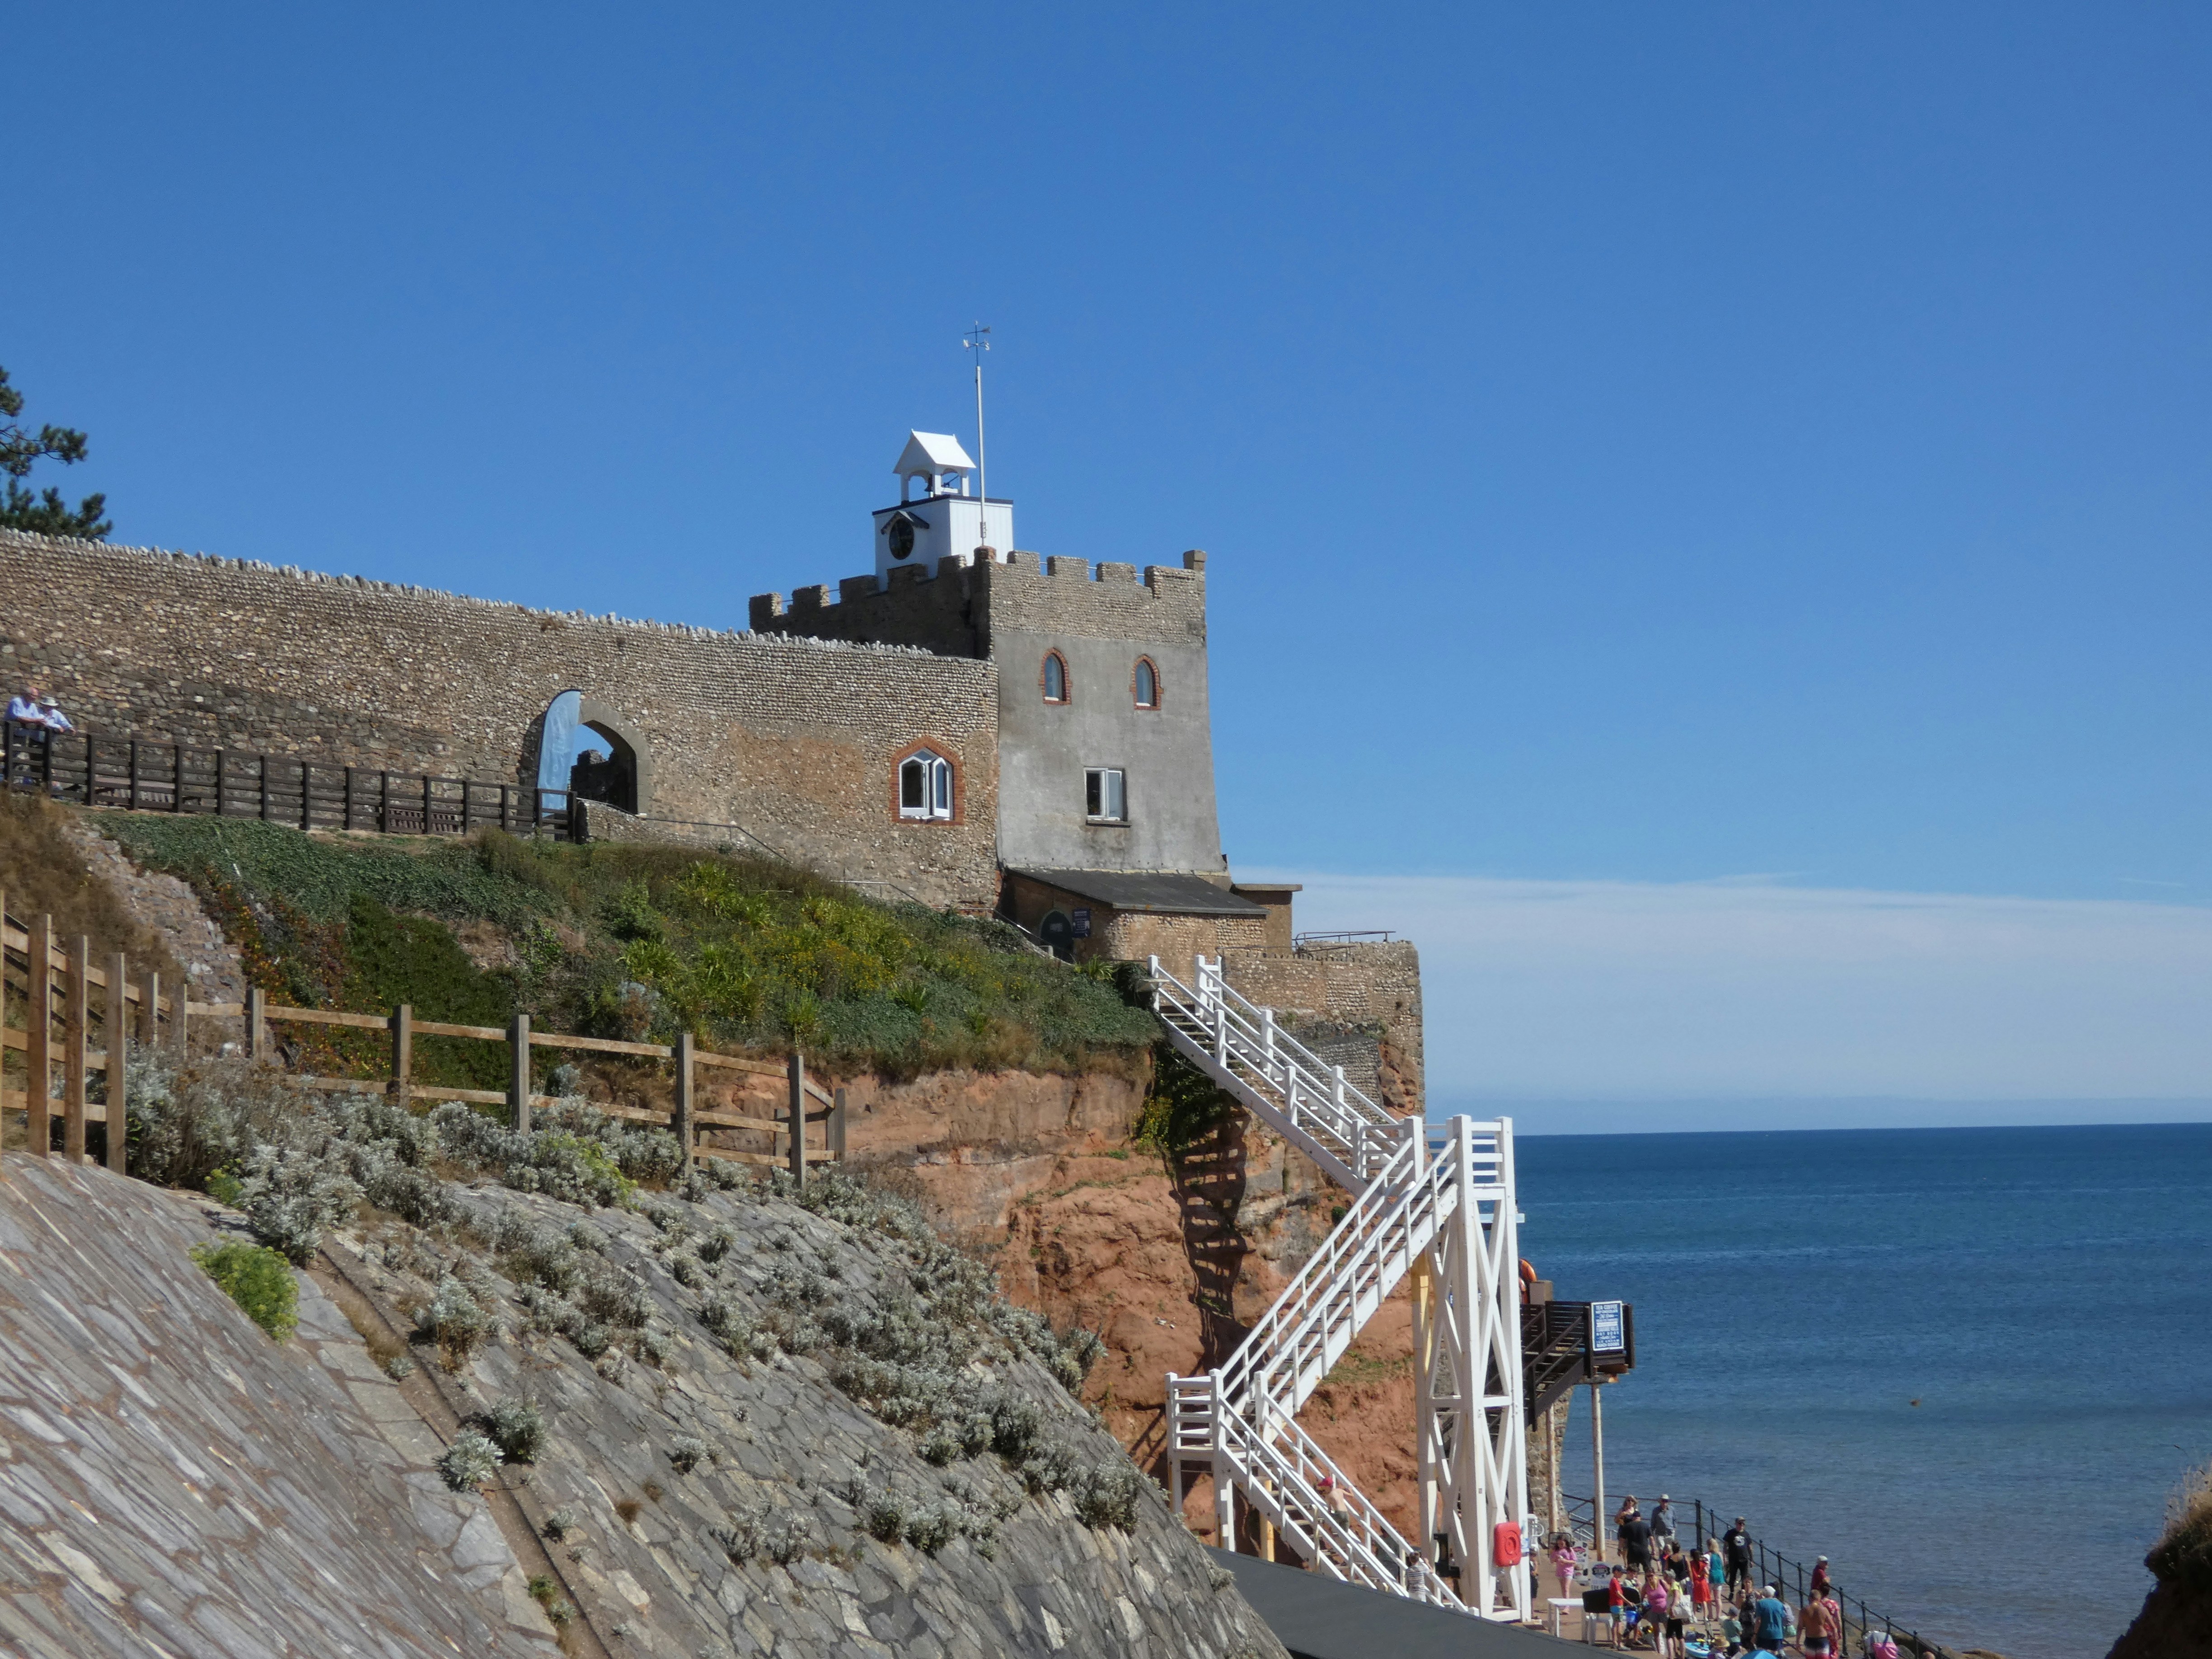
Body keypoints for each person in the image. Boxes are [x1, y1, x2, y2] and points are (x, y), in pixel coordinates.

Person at [1645, 1571, 1679, 1658]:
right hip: (1653, 1611)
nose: (1650, 1578)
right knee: (1656, 1632)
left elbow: (1670, 1592)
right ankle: (1659, 1652)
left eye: (1651, 1575)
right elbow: (1641, 1597)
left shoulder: (1661, 1582)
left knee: (1670, 1632)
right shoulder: (1646, 1586)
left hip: (1664, 1610)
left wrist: (1672, 1606)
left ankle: (1675, 1651)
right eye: (1648, 1576)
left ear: (1655, 1575)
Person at [1748, 1585, 1790, 1654]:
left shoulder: (1761, 1603)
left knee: (1762, 1653)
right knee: (1775, 1654)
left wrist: (1755, 1634)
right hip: (1778, 1634)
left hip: (1764, 1634)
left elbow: (1758, 1621)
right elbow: (1784, 1618)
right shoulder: (1780, 1604)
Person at [1722, 1518, 1753, 1602]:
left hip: (1744, 1559)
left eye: (1743, 1524)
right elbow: (1725, 1546)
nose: (1741, 1525)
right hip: (1733, 1559)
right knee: (1732, 1577)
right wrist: (1725, 1558)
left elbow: (1750, 1547)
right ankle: (1732, 1592)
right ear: (1736, 1524)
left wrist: (1752, 1560)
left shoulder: (1746, 1534)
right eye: (1740, 1524)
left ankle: (1743, 1593)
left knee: (1744, 1578)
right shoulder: (1730, 1533)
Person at [1798, 1589, 1835, 1657]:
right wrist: (1835, 1640)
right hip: (1822, 1639)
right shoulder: (1824, 1610)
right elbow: (1833, 1627)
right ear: (1819, 1599)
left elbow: (1800, 1628)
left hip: (1810, 1640)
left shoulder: (1803, 1611)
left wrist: (1797, 1642)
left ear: (1810, 1598)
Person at [1619, 1503, 1654, 1575]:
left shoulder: (1627, 1526)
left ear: (1633, 1518)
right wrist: (1653, 1550)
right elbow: (1651, 1539)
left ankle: (1633, 1584)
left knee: (1633, 1571)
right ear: (1640, 1517)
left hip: (1633, 1552)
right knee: (1648, 1571)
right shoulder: (1646, 1526)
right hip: (1644, 1551)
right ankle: (1649, 1585)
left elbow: (1622, 1539)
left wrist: (1620, 1549)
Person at [1550, 1532, 1581, 1601]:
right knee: (1563, 1588)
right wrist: (1556, 1558)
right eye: (1559, 1544)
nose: (1560, 1546)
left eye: (1562, 1544)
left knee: (1566, 1588)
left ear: (1566, 1543)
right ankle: (1565, 1602)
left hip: (1568, 1571)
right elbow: (1552, 1561)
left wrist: (1565, 1561)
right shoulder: (1556, 1550)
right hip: (1560, 1571)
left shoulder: (1569, 1550)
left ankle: (1567, 1607)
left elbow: (1574, 1561)